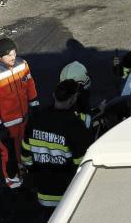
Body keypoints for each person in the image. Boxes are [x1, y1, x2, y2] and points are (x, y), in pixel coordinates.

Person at [21, 79, 93, 210]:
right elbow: (82, 165)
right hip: (68, 195)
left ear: (54, 95)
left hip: (42, 193)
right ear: (73, 99)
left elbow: (26, 156)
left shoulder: (35, 120)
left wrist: (33, 173)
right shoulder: (75, 126)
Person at [0, 37, 39, 189]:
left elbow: (30, 84)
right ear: (0, 56)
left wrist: (34, 104)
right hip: (7, 124)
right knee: (8, 154)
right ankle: (13, 182)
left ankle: (25, 171)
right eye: (8, 55)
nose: (13, 57)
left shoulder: (23, 64)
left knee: (25, 146)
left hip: (24, 118)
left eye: (14, 53)